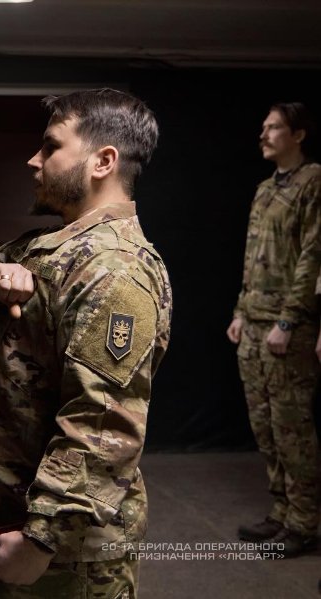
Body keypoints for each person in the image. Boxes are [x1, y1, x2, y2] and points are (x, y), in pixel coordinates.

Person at [0, 88, 171, 597]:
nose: (33, 160)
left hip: (68, 549)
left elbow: (101, 424)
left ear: (103, 161)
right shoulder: (50, 246)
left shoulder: (114, 270)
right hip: (21, 517)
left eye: (51, 146)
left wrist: (42, 539)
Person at [227, 102, 321, 558]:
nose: (263, 135)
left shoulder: (313, 181)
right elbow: (252, 257)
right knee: (264, 426)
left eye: (274, 127)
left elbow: (312, 256)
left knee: (292, 429)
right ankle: (282, 511)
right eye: (263, 127)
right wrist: (240, 311)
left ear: (298, 135)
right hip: (254, 322)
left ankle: (304, 522)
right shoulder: (265, 189)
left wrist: (289, 319)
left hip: (287, 328)